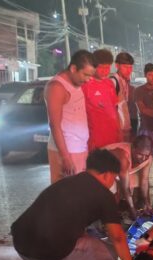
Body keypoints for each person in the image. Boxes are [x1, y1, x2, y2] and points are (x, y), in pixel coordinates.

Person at [11, 150, 147, 260]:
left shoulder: (66, 182)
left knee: (89, 238)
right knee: (110, 254)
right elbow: (117, 237)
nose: (113, 182)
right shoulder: (103, 195)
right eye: (114, 177)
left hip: (21, 244)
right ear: (107, 175)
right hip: (43, 254)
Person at [45, 50, 95, 183]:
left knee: (78, 193)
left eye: (91, 76)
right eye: (85, 75)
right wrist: (65, 157)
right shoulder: (57, 87)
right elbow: (54, 125)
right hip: (67, 151)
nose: (88, 79)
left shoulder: (76, 83)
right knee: (67, 196)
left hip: (78, 148)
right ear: (73, 68)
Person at [133, 63, 153, 192]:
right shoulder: (139, 91)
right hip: (146, 129)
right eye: (150, 74)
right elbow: (143, 109)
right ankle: (140, 186)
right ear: (145, 75)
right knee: (143, 159)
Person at [82, 49, 121, 150]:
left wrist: (119, 130)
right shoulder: (85, 85)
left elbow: (114, 109)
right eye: (101, 67)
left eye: (107, 67)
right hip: (95, 139)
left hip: (113, 136)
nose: (105, 71)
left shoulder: (110, 84)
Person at [112, 52, 135, 140]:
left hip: (126, 127)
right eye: (125, 67)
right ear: (117, 66)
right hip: (118, 129)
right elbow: (112, 108)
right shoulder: (113, 82)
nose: (129, 70)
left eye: (130, 67)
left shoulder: (125, 81)